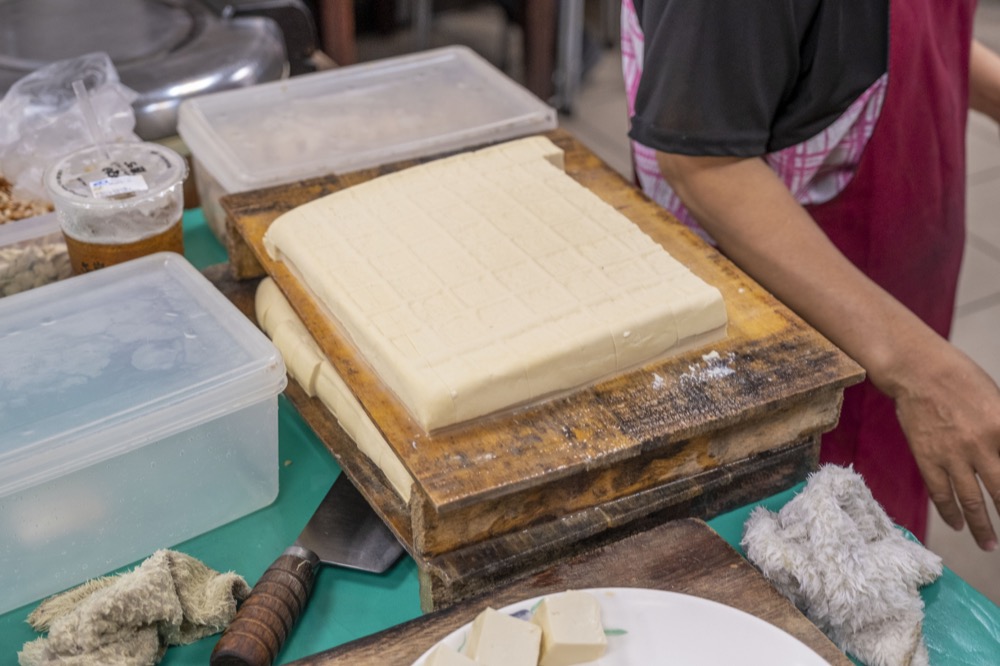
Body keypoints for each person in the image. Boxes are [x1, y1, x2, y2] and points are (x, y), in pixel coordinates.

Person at [621, 0, 1000, 551]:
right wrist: (919, 368)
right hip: (783, 349)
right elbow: (703, 165)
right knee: (796, 572)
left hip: (902, 293)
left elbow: (877, 34)